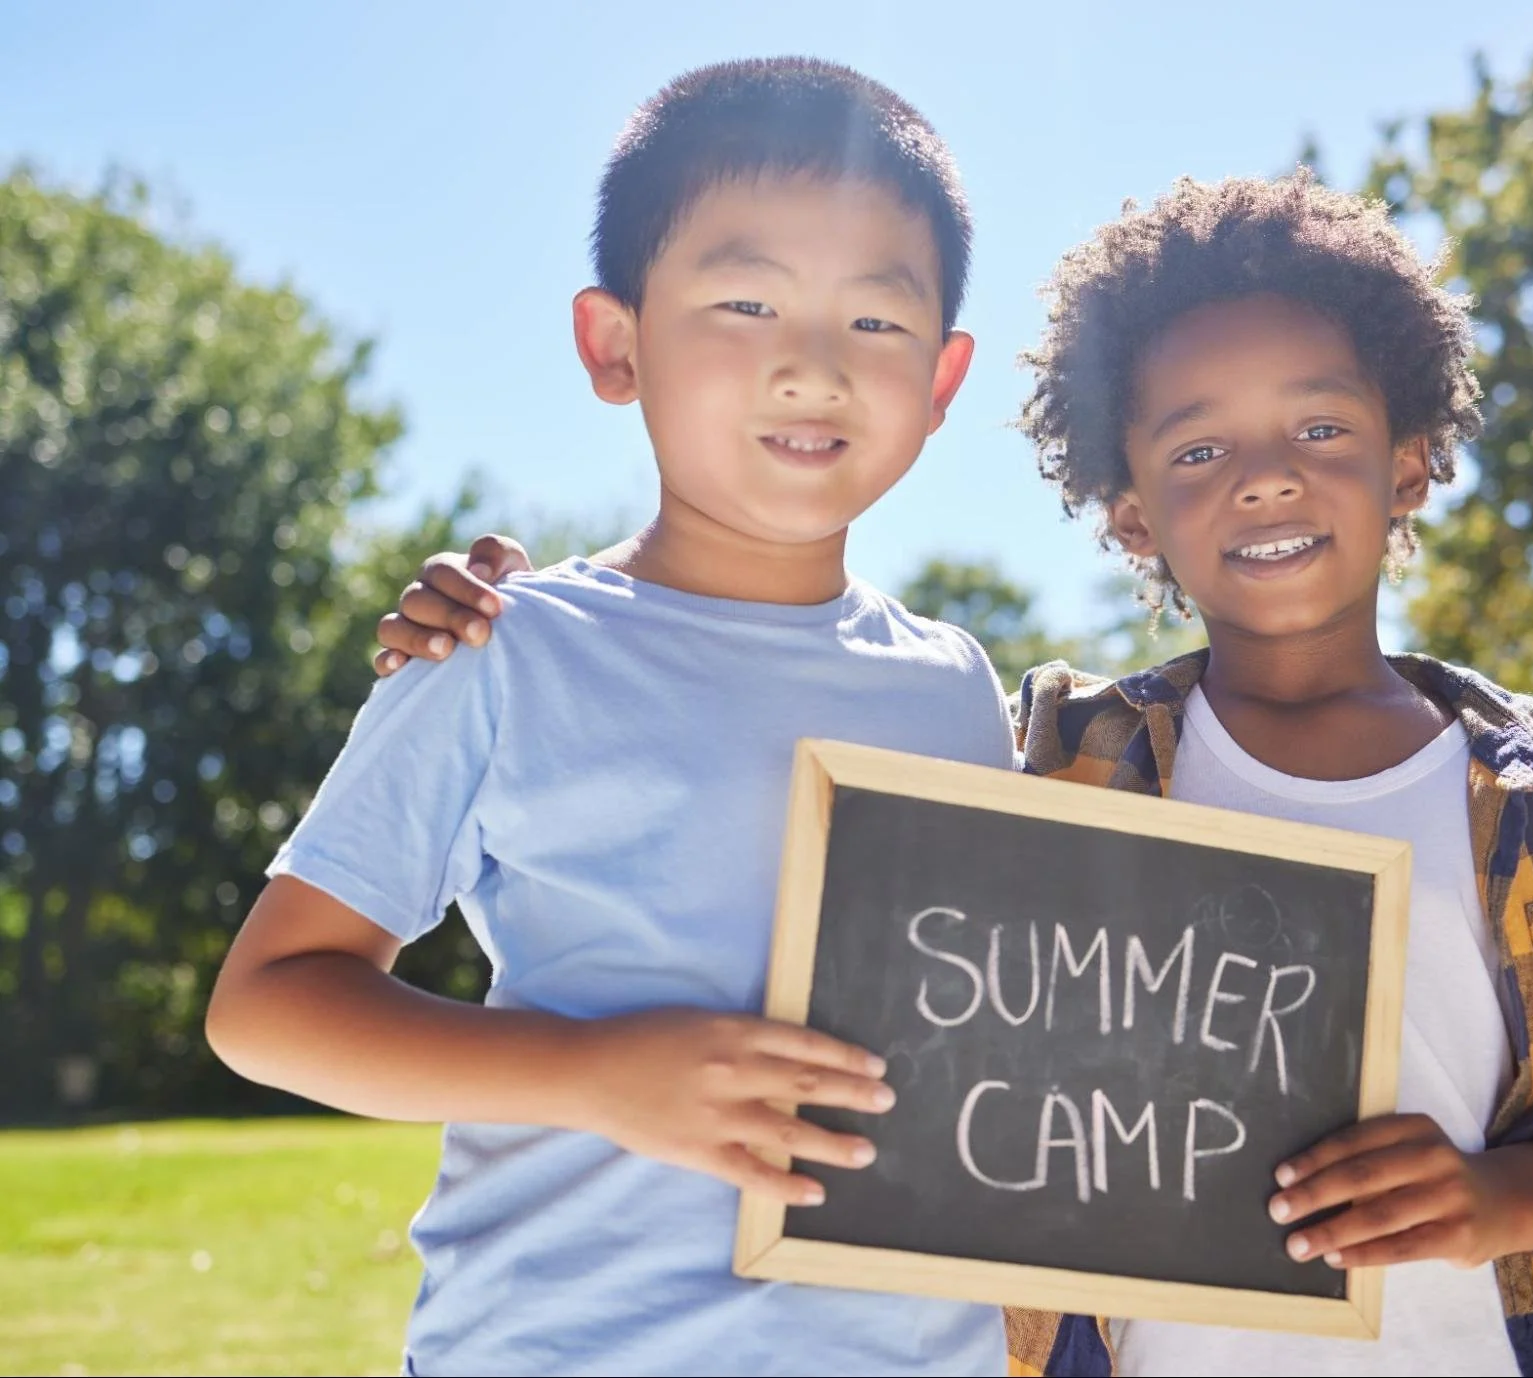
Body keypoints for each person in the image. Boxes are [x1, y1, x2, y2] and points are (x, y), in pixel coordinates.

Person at [379, 175, 1533, 1378]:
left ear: (1410, 463)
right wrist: (530, 610)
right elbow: (784, 718)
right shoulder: (1060, 758)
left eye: (1320, 430)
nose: (1264, 479)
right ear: (1133, 515)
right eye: (1198, 450)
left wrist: (1499, 1197)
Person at [205, 58, 1013, 1377]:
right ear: (615, 344)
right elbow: (268, 1004)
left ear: (941, 379)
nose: (810, 366)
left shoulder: (955, 686)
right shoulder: (501, 649)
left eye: (875, 321)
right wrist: (592, 1076)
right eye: (744, 301)